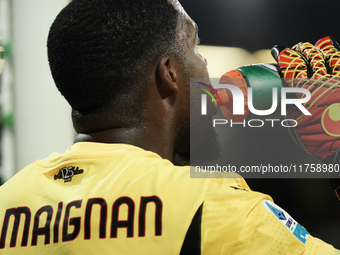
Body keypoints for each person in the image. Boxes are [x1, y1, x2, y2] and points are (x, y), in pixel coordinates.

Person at [0, 0, 339, 254]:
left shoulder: (7, 203)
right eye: (194, 47)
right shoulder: (215, 208)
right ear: (169, 73)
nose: (205, 65)